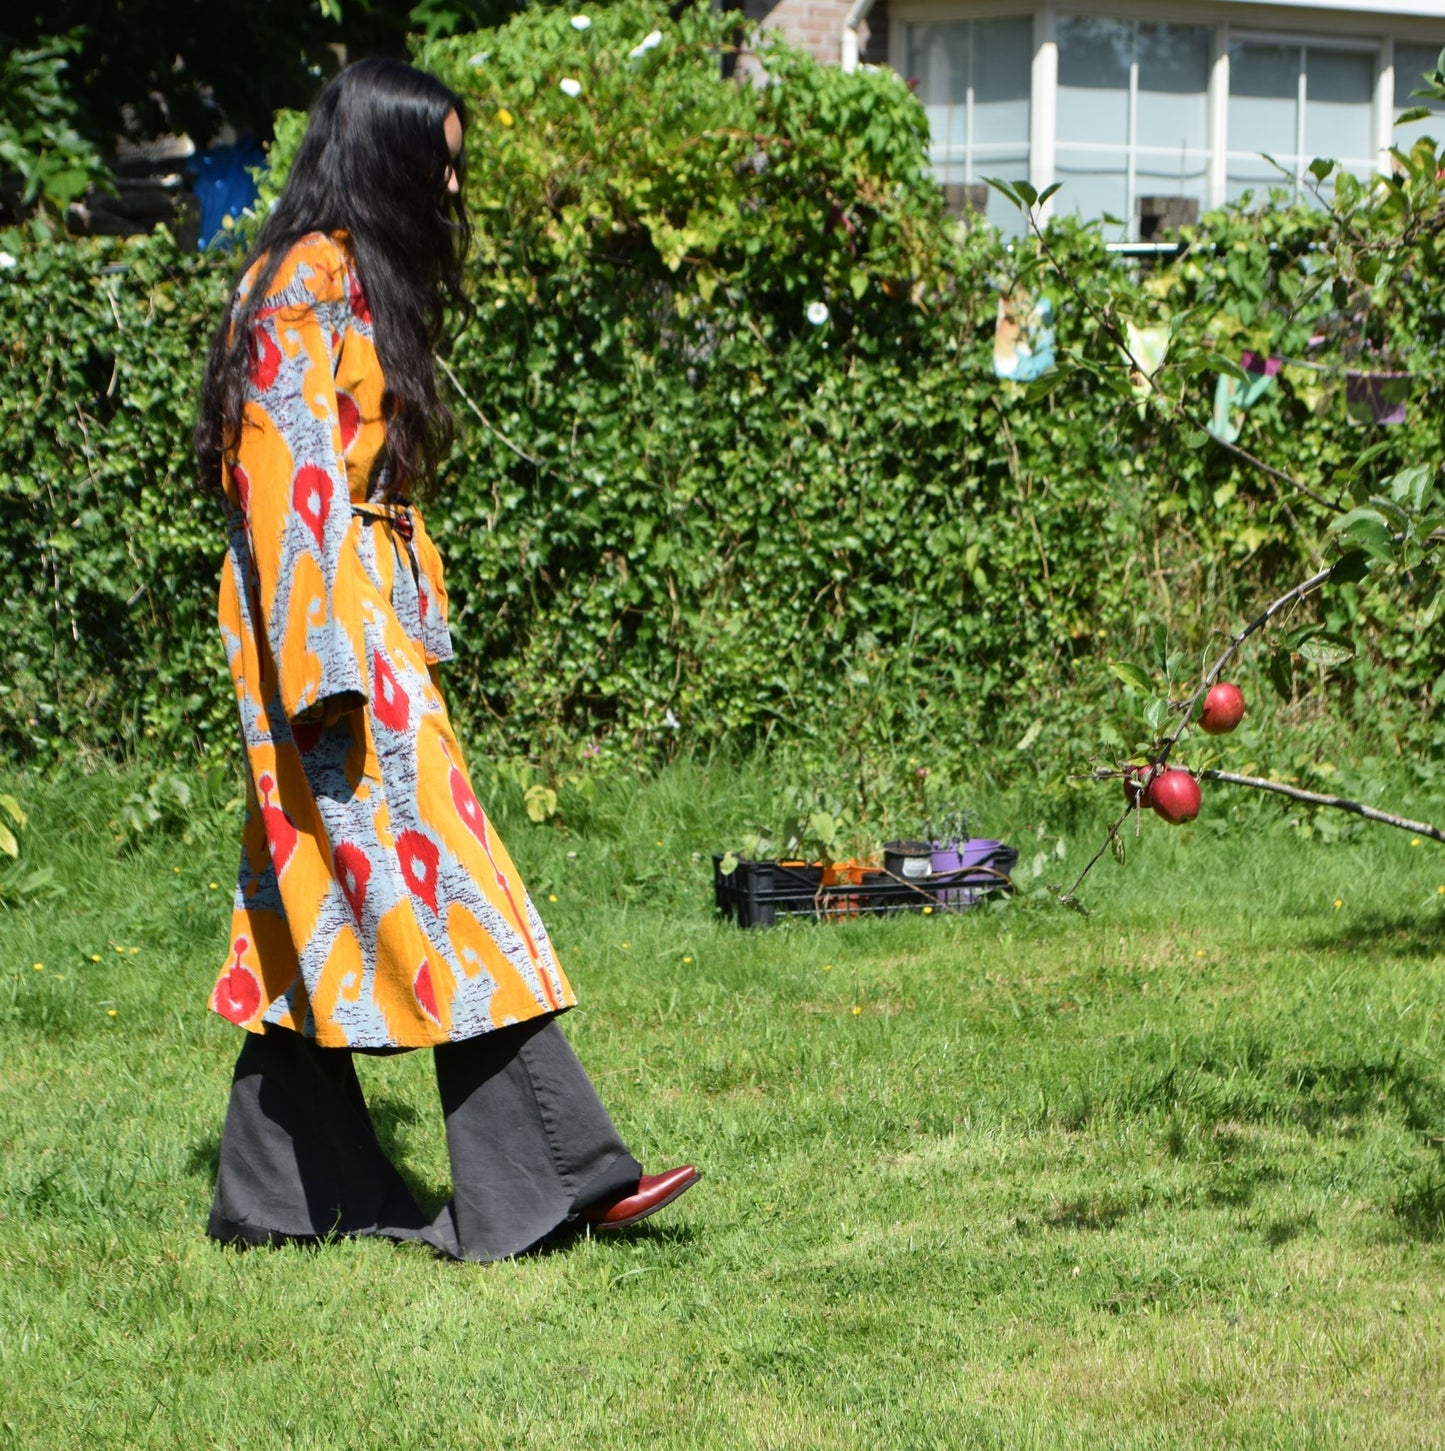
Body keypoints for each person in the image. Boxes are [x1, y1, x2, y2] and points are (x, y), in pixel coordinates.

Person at [192, 58, 697, 1262]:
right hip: (319, 632)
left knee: (316, 904)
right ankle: (554, 1179)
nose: (454, 183)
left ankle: (281, 1191)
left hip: (354, 613)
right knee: (453, 891)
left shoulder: (352, 280)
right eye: (441, 162)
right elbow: (285, 484)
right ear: (385, 160)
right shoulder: (301, 286)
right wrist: (329, 669)